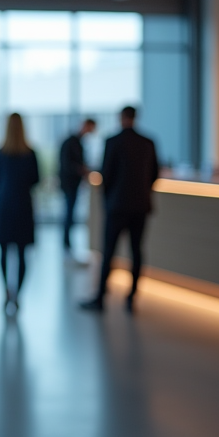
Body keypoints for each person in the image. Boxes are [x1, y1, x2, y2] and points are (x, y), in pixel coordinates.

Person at [81, 106, 159, 313]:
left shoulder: (113, 141)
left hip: (117, 205)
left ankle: (100, 298)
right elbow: (154, 175)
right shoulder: (148, 142)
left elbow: (106, 175)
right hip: (140, 206)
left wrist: (108, 201)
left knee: (109, 251)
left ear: (121, 118)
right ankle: (132, 296)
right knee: (136, 250)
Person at [0, 113, 40, 312]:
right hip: (23, 206)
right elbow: (36, 179)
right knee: (22, 253)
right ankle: (17, 294)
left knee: (3, 251)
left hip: (5, 206)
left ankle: (6, 291)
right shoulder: (30, 153)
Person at [58, 118, 96, 252]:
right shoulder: (71, 142)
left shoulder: (76, 142)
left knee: (70, 212)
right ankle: (66, 241)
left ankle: (67, 241)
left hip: (72, 183)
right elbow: (67, 165)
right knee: (69, 212)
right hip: (69, 183)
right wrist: (82, 170)